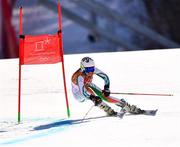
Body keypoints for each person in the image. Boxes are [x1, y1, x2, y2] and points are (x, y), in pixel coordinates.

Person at [71, 57, 144, 117]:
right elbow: (83, 91)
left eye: (92, 69)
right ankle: (104, 107)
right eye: (88, 69)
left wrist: (106, 88)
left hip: (88, 85)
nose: (91, 72)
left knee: (105, 96)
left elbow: (105, 77)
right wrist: (93, 98)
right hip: (78, 94)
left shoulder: (92, 70)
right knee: (92, 94)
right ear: (82, 68)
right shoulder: (79, 76)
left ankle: (125, 105)